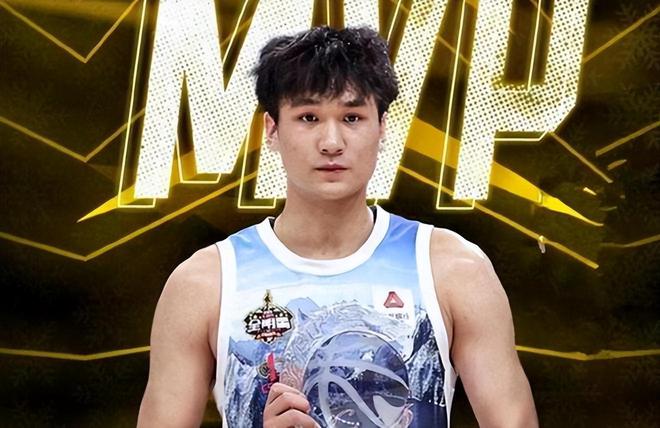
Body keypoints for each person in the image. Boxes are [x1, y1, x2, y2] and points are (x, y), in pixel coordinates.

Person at [137, 26, 538, 428]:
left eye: (351, 117)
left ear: (382, 127)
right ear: (272, 130)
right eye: (308, 117)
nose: (331, 142)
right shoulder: (204, 283)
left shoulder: (453, 269)